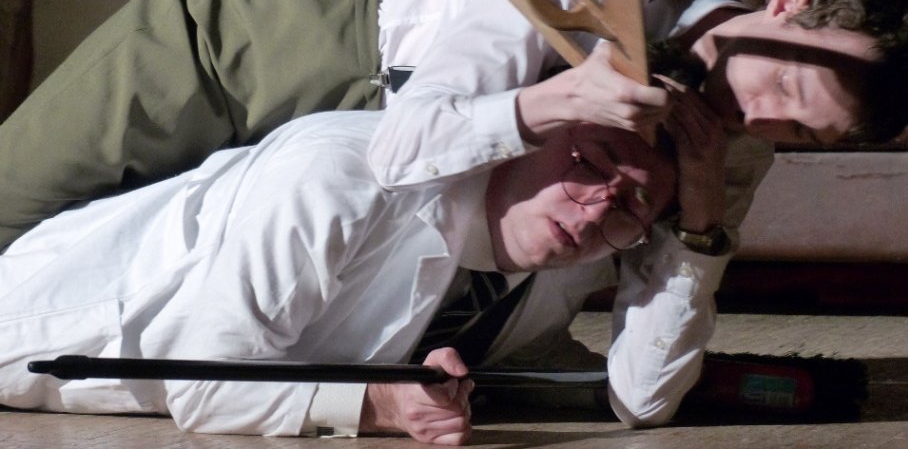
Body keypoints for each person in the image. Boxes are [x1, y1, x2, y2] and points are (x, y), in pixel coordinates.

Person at [0, 0, 908, 437]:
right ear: (786, 4)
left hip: (377, 172)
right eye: (785, 86)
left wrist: (697, 211)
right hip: (262, 41)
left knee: (218, 298)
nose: (761, 119)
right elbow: (395, 149)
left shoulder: (733, 144)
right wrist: (551, 100)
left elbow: (648, 364)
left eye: (796, 129)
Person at [1, 110, 679, 444]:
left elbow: (639, 401)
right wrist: (380, 404)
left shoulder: (567, 256)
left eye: (632, 206)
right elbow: (204, 384)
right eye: (591, 163)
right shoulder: (344, 174)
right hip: (35, 331)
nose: (598, 208)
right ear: (536, 129)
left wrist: (702, 233)